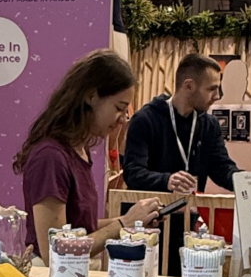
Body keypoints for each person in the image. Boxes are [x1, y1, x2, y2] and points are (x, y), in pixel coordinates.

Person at [14, 50, 161, 263]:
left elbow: (80, 228)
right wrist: (124, 224)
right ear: (91, 96)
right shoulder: (51, 157)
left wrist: (134, 220)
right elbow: (55, 252)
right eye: (119, 108)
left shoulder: (78, 151)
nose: (123, 119)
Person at [122, 52, 239, 196]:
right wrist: (167, 181)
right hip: (152, 208)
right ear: (189, 86)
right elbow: (133, 173)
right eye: (211, 89)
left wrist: (248, 182)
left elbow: (221, 168)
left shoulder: (209, 125)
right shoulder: (145, 120)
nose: (217, 96)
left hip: (190, 209)